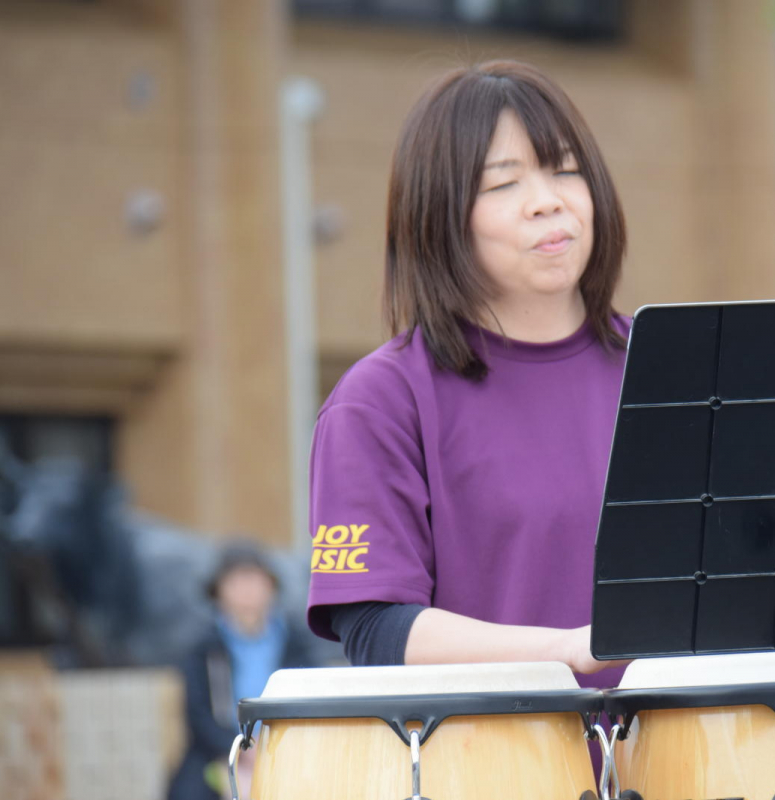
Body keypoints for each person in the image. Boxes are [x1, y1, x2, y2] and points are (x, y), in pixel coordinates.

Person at [305, 61, 630, 688]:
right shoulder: (381, 400)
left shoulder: (672, 365)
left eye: (566, 169)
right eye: (503, 184)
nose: (548, 201)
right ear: (441, 216)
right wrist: (570, 649)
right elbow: (376, 626)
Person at [168, 542, 314, 800]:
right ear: (218, 592)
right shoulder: (204, 648)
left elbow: (313, 702)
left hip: (290, 748)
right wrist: (241, 749)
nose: (246, 591)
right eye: (235, 582)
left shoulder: (296, 643)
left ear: (271, 587)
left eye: (254, 581)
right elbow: (198, 715)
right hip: (220, 750)